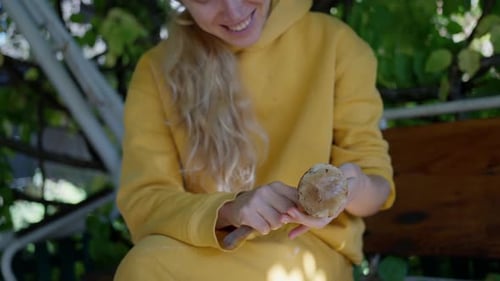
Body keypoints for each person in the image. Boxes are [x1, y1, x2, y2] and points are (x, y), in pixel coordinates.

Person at [113, 0, 395, 280]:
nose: (233, 10)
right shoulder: (157, 69)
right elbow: (145, 199)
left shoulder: (335, 42)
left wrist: (349, 187)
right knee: (144, 265)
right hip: (207, 248)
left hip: (308, 250)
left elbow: (376, 185)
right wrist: (227, 210)